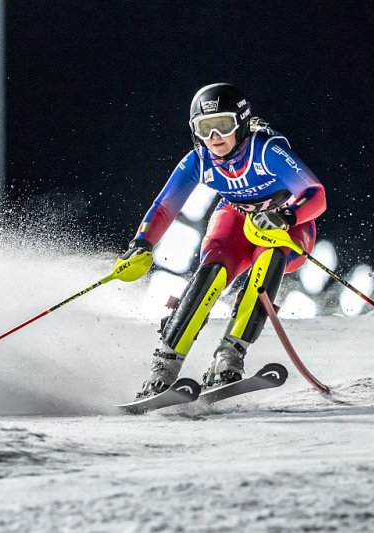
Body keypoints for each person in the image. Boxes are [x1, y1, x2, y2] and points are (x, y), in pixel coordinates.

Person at [118, 83, 326, 398]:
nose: (214, 137)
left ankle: (230, 356)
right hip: (237, 219)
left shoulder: (266, 149)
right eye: (205, 128)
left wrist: (286, 217)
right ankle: (164, 366)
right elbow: (165, 205)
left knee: (269, 259)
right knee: (213, 269)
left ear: (241, 122)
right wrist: (142, 243)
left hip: (285, 226)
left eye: (223, 125)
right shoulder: (199, 160)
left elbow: (316, 194)